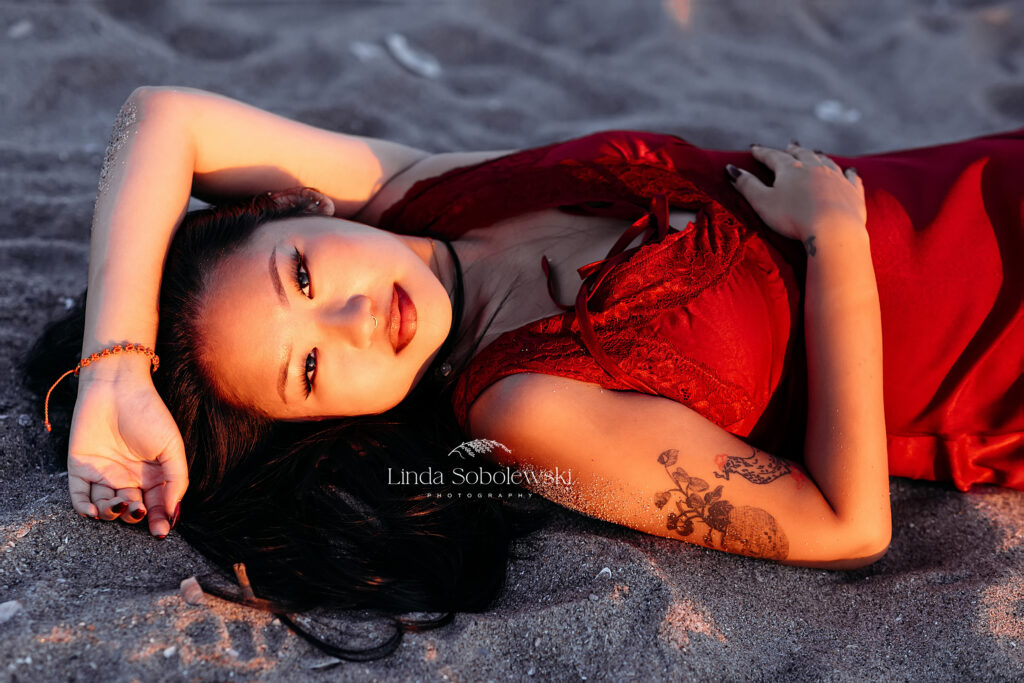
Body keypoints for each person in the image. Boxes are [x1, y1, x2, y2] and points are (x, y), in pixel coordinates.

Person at [26, 86, 1023, 659]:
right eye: (314, 365)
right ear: (336, 419)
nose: (357, 315)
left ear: (309, 210)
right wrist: (836, 243)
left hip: (982, 178)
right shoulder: (526, 402)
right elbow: (844, 524)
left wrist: (119, 366)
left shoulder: (429, 190)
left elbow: (163, 116)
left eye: (302, 271)